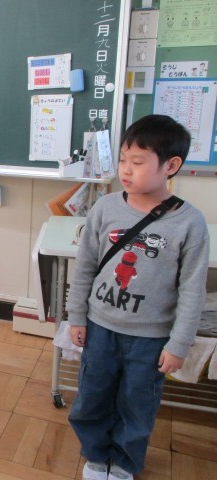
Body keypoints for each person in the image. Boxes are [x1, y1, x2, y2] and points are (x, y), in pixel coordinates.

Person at [66, 114, 209, 480]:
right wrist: (76, 316)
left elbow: (192, 289)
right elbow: (84, 267)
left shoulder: (189, 223)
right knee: (92, 396)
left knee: (137, 404)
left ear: (171, 166)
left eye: (138, 162)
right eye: (123, 160)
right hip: (100, 327)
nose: (126, 170)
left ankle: (124, 463)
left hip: (150, 338)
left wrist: (179, 343)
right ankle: (96, 456)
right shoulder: (106, 208)